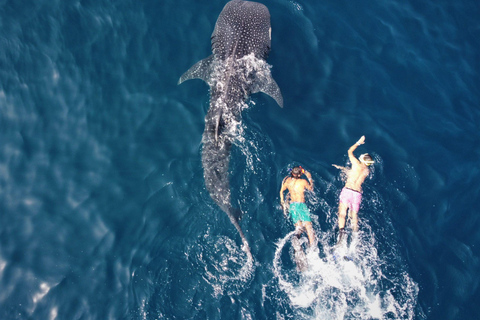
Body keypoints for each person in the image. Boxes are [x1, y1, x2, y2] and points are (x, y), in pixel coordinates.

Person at [332, 136, 374, 238]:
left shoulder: (356, 163)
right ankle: (355, 237)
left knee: (342, 214)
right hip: (357, 194)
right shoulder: (367, 171)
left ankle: (341, 235)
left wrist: (358, 143)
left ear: (363, 159)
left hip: (347, 191)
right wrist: (342, 168)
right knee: (354, 216)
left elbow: (350, 151)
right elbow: (353, 173)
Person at [280, 166, 316, 247]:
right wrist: (309, 177)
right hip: (301, 205)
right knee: (309, 228)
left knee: (299, 228)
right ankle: (313, 248)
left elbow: (281, 191)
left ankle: (296, 239)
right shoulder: (303, 181)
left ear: (292, 173)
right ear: (299, 175)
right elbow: (311, 189)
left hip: (292, 206)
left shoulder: (288, 181)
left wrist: (283, 202)